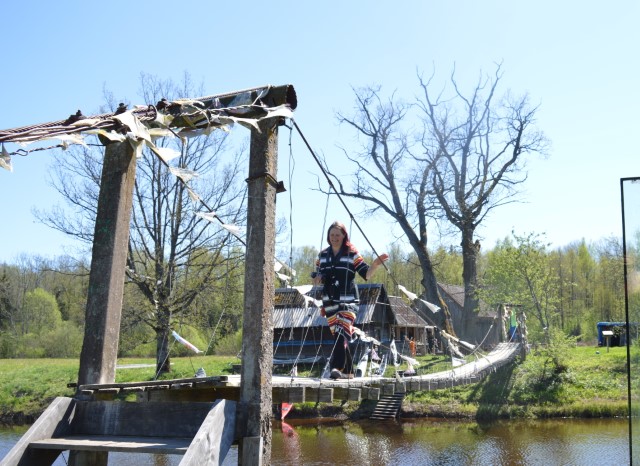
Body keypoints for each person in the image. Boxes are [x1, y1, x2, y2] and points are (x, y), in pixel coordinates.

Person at [312, 221, 389, 379]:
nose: (334, 238)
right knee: (340, 335)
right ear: (328, 236)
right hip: (330, 301)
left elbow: (366, 274)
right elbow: (318, 275)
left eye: (337, 235)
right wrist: (318, 278)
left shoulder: (352, 253)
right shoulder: (322, 256)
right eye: (332, 235)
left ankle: (336, 367)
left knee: (342, 331)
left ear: (343, 236)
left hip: (349, 299)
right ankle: (348, 372)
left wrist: (375, 264)